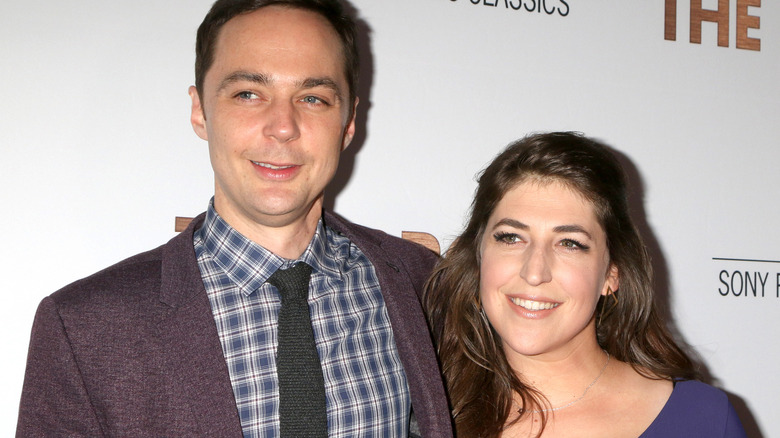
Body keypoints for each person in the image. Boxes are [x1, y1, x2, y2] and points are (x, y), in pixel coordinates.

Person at [16, 1, 452, 436]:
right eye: (248, 93)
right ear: (200, 111)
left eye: (313, 98)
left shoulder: (423, 284)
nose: (283, 126)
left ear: (349, 122)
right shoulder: (85, 327)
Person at [424, 132, 746, 437]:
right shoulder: (425, 413)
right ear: (479, 257)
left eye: (569, 244)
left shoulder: (702, 420)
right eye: (511, 237)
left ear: (612, 274)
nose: (534, 272)